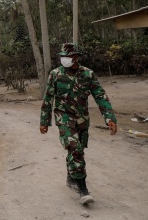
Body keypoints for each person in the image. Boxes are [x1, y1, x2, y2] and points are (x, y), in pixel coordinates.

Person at [40, 43, 117, 204]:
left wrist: (109, 118)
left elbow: (100, 96)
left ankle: (71, 176)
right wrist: (44, 121)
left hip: (82, 119)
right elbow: (48, 99)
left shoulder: (88, 74)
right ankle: (83, 189)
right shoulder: (55, 74)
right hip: (64, 117)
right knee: (75, 147)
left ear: (75, 58)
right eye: (62, 57)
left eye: (66, 57)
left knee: (77, 149)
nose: (63, 60)